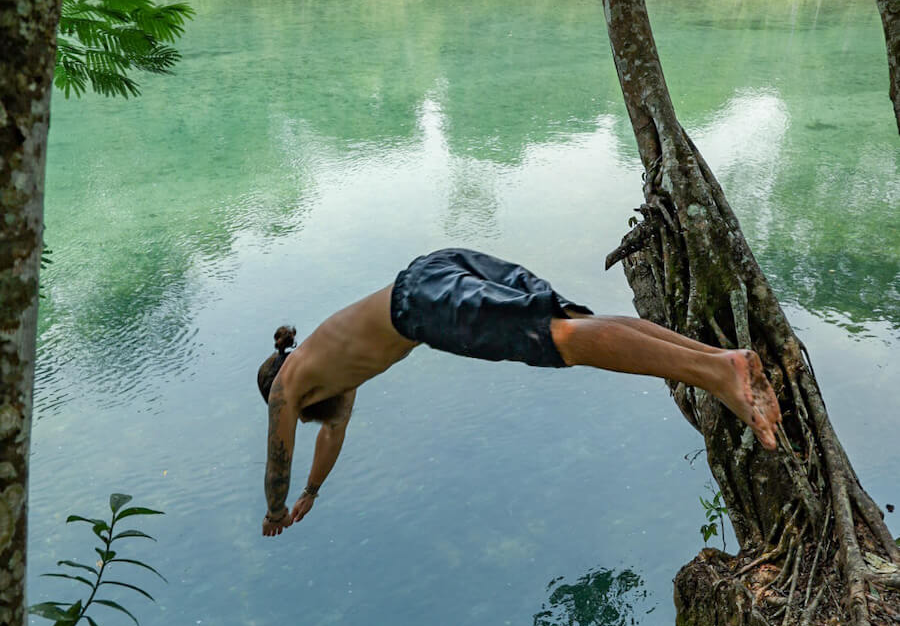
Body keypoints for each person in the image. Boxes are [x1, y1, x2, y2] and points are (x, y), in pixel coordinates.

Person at [258, 248, 782, 536]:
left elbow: (276, 453)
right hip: (432, 271)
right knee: (570, 322)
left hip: (423, 306)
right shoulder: (331, 376)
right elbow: (331, 436)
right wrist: (312, 494)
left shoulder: (288, 384)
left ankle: (718, 374)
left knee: (560, 341)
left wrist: (276, 511)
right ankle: (719, 359)